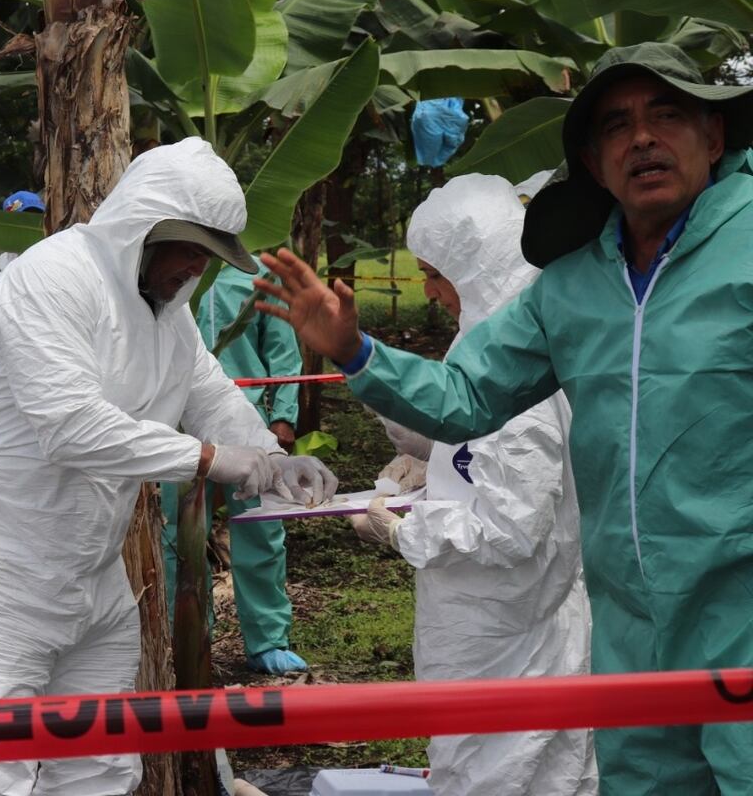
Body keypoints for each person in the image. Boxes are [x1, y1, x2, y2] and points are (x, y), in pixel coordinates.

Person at [255, 43, 753, 793]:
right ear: (590, 160)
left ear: (714, 136)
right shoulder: (575, 286)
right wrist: (356, 350)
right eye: (616, 125)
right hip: (631, 625)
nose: (642, 138)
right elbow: (467, 398)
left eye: (667, 114)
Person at [0, 137, 338, 795]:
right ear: (143, 230)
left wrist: (273, 458)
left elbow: (208, 392)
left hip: (91, 574)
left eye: (206, 255)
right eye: (188, 248)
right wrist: (212, 460)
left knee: (100, 764)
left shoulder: (169, 313)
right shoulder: (55, 275)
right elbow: (69, 426)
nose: (194, 268)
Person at [351, 175, 595, 795]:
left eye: (436, 274)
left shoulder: (522, 371)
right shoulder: (492, 338)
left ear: (476, 266)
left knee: (502, 767)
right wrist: (426, 460)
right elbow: (468, 427)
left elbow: (512, 528)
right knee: (485, 758)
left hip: (507, 623)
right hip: (486, 617)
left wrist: (406, 526)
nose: (429, 292)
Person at [160, 258, 308, 675]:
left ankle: (267, 638)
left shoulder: (258, 273)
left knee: (260, 530)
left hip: (247, 419)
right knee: (176, 534)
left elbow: (281, 346)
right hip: (179, 427)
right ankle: (186, 633)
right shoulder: (167, 275)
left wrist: (283, 416)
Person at [0, 190, 46, 274]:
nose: (31, 223)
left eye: (36, 217)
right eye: (23, 219)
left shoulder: (53, 251)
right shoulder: (2, 262)